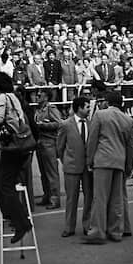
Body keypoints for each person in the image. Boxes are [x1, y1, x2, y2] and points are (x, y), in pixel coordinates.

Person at [0, 72, 32, 245]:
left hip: (12, 146)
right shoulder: (14, 96)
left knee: (5, 184)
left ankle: (21, 222)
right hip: (20, 145)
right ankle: (10, 213)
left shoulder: (3, 97)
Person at [83, 90, 133, 245]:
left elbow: (92, 140)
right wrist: (129, 166)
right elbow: (131, 145)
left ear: (107, 102)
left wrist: (89, 159)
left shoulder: (100, 115)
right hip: (119, 160)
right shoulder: (128, 119)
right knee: (117, 198)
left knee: (100, 198)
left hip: (103, 159)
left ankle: (98, 232)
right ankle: (116, 231)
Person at [57, 96, 93, 238]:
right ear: (79, 108)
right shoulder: (66, 124)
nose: (89, 109)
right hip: (71, 166)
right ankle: (69, 227)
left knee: (89, 196)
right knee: (71, 198)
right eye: (87, 106)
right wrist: (65, 161)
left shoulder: (91, 124)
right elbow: (59, 146)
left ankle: (87, 224)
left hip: (88, 166)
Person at [33, 90, 62, 209]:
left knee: (51, 172)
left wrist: (44, 125)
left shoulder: (51, 109)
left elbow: (59, 123)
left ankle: (55, 198)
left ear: (46, 97)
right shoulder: (38, 109)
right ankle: (47, 195)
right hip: (40, 142)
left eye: (40, 95)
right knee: (43, 172)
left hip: (49, 142)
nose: (37, 97)